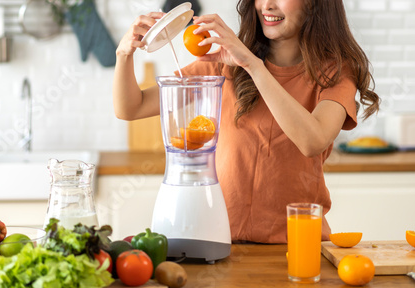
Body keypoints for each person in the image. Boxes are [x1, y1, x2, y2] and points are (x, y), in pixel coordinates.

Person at [113, 0, 380, 243]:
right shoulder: (222, 65)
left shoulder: (336, 72)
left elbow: (313, 141)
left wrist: (253, 65)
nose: (268, 5)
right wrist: (124, 54)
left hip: (298, 245)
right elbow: (131, 108)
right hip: (220, 241)